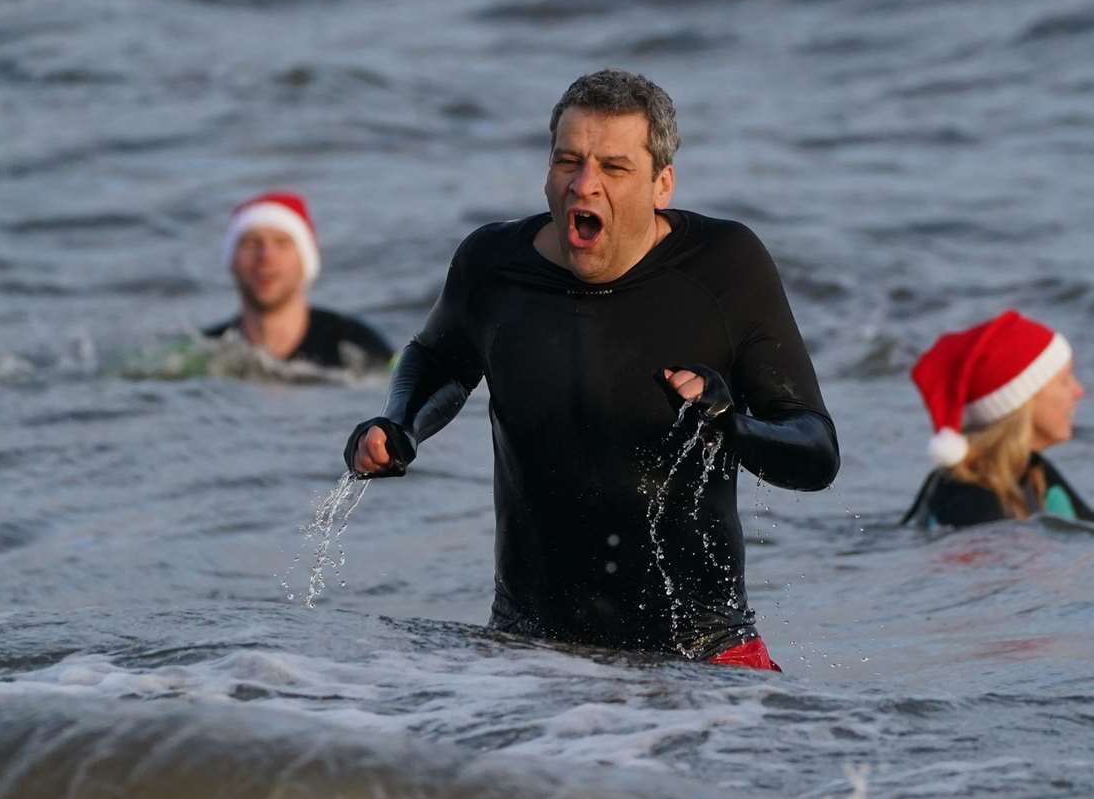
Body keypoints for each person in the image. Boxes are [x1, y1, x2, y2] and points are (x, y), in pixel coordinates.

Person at [343, 70, 838, 672]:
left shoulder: (724, 268)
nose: (585, 185)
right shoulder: (492, 266)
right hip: (529, 656)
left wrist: (732, 428)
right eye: (568, 161)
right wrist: (398, 428)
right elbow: (438, 358)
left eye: (614, 167)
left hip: (703, 659)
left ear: (663, 184)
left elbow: (815, 450)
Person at [902, 310, 1094, 528]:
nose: (1078, 391)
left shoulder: (1032, 471)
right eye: (1064, 381)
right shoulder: (972, 500)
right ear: (1023, 402)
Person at [205, 190, 393, 373]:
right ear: (232, 261)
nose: (266, 257)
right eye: (252, 243)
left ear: (306, 260)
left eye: (282, 243)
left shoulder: (361, 348)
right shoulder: (204, 354)